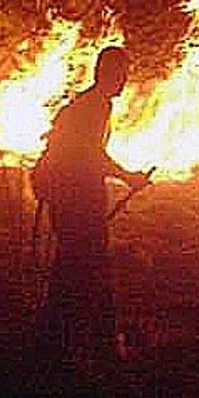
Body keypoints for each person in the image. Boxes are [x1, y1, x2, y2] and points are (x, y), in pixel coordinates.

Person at [36, 46, 150, 365]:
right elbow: (90, 155)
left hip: (71, 200)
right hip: (78, 202)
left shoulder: (89, 104)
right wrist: (127, 177)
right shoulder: (93, 107)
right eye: (121, 73)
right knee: (94, 270)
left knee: (70, 270)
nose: (125, 80)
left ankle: (53, 340)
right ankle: (103, 345)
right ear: (107, 73)